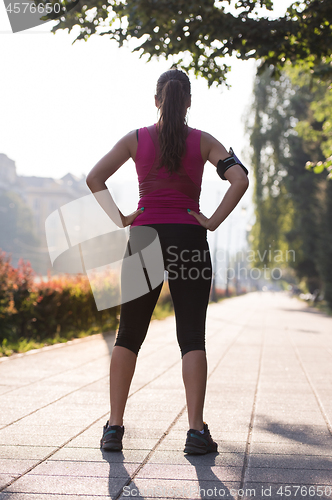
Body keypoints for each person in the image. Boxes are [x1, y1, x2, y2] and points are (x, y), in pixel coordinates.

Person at [86, 68, 249, 455]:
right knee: (192, 336)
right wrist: (210, 221)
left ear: (156, 100)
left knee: (128, 335)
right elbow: (239, 179)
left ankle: (113, 428)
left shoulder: (136, 139)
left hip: (144, 238)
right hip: (190, 239)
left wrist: (122, 218)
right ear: (188, 102)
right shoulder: (204, 141)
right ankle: (195, 433)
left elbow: (95, 177)